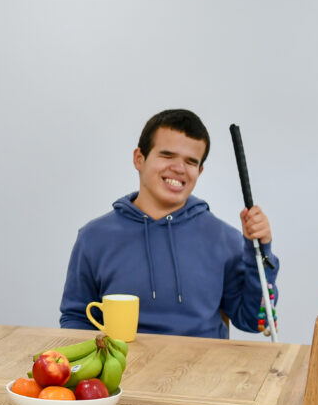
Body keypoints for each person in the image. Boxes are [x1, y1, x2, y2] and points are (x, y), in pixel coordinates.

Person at [59, 109, 279, 339]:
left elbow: (253, 321)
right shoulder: (94, 237)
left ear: (199, 171)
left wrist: (260, 251)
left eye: (191, 161)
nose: (179, 168)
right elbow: (76, 318)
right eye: (167, 155)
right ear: (139, 159)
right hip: (123, 369)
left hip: (203, 370)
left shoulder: (225, 238)